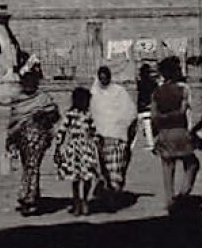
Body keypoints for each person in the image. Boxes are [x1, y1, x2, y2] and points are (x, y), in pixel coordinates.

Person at [5, 69, 60, 215]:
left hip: (38, 139)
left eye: (31, 83)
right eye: (26, 83)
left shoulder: (43, 98)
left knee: (32, 166)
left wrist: (42, 115)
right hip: (22, 140)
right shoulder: (18, 100)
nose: (28, 86)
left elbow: (54, 115)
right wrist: (10, 140)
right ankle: (30, 195)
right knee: (28, 167)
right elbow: (13, 121)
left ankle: (28, 197)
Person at [150, 55, 200, 213]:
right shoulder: (183, 90)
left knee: (167, 167)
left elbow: (154, 116)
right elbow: (184, 111)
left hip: (164, 133)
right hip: (180, 131)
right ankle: (183, 193)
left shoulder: (157, 92)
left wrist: (156, 134)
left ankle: (169, 199)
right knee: (192, 163)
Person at [90, 65, 137, 207]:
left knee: (117, 167)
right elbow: (92, 112)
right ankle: (109, 196)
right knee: (103, 169)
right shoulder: (94, 93)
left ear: (110, 77)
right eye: (101, 78)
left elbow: (130, 113)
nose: (103, 80)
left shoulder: (119, 92)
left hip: (117, 136)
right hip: (100, 137)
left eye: (106, 77)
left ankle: (114, 196)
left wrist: (125, 129)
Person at [53, 86, 101, 216]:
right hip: (74, 149)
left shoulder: (89, 115)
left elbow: (94, 130)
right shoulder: (70, 114)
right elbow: (62, 130)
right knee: (75, 178)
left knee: (87, 177)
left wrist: (97, 141)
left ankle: (85, 199)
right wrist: (58, 146)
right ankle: (76, 201)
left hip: (86, 148)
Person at [136, 62, 158, 151]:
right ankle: (151, 143)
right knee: (148, 126)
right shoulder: (153, 83)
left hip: (142, 109)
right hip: (151, 108)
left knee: (140, 127)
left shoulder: (141, 83)